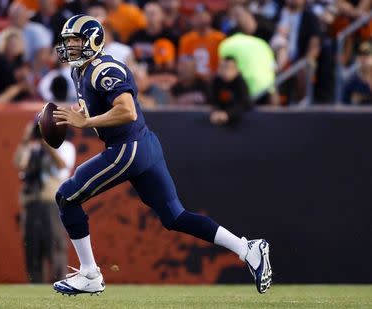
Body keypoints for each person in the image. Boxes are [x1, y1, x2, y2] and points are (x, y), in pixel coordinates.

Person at [50, 15, 272, 295]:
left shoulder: (104, 68)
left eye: (74, 41)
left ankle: (90, 274)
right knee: (175, 217)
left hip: (127, 147)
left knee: (66, 196)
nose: (69, 46)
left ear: (93, 40)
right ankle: (248, 249)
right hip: (143, 146)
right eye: (67, 41)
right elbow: (100, 106)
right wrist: (81, 114)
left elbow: (127, 110)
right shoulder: (81, 70)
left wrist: (87, 122)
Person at [14, 121, 76, 283]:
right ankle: (35, 286)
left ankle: (59, 283)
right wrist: (26, 140)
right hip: (32, 202)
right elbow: (19, 163)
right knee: (33, 247)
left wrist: (48, 145)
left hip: (52, 202)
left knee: (55, 245)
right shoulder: (33, 149)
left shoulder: (65, 147)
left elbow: (62, 166)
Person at [178, 4, 225, 79]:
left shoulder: (220, 38)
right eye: (197, 15)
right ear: (192, 19)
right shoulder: (186, 39)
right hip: (193, 80)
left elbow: (224, 63)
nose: (201, 18)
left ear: (210, 17)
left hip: (215, 79)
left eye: (203, 15)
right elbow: (183, 63)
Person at [128, 1, 177, 72]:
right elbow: (129, 58)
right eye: (146, 13)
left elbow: (173, 65)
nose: (150, 17)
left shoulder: (170, 37)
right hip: (139, 74)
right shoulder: (135, 37)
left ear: (162, 15)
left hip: (163, 74)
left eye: (153, 14)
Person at [210, 56, 251, 125]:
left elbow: (244, 103)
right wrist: (216, 111)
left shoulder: (240, 82)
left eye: (229, 68)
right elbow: (212, 100)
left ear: (236, 69)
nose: (225, 71)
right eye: (222, 67)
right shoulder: (215, 82)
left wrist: (228, 114)